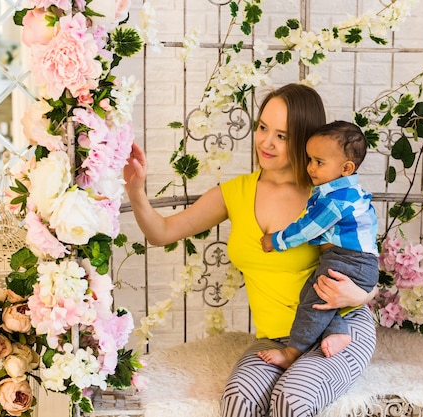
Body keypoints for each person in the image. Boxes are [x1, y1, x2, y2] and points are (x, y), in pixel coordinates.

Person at [123, 84, 377, 417]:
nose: (266, 142)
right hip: (277, 339)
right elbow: (163, 232)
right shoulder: (237, 192)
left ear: (305, 139)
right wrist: (136, 189)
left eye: (282, 136)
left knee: (292, 398)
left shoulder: (325, 199)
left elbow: (364, 268)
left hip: (340, 330)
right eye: (262, 128)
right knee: (239, 400)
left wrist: (356, 297)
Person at [257, 120, 379, 370]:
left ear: (346, 168)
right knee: (313, 294)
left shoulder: (336, 200)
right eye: (309, 159)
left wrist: (275, 241)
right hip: (355, 262)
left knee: (313, 302)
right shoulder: (347, 193)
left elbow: (306, 230)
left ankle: (292, 351)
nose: (311, 167)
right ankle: (338, 332)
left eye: (319, 162)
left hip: (350, 262)